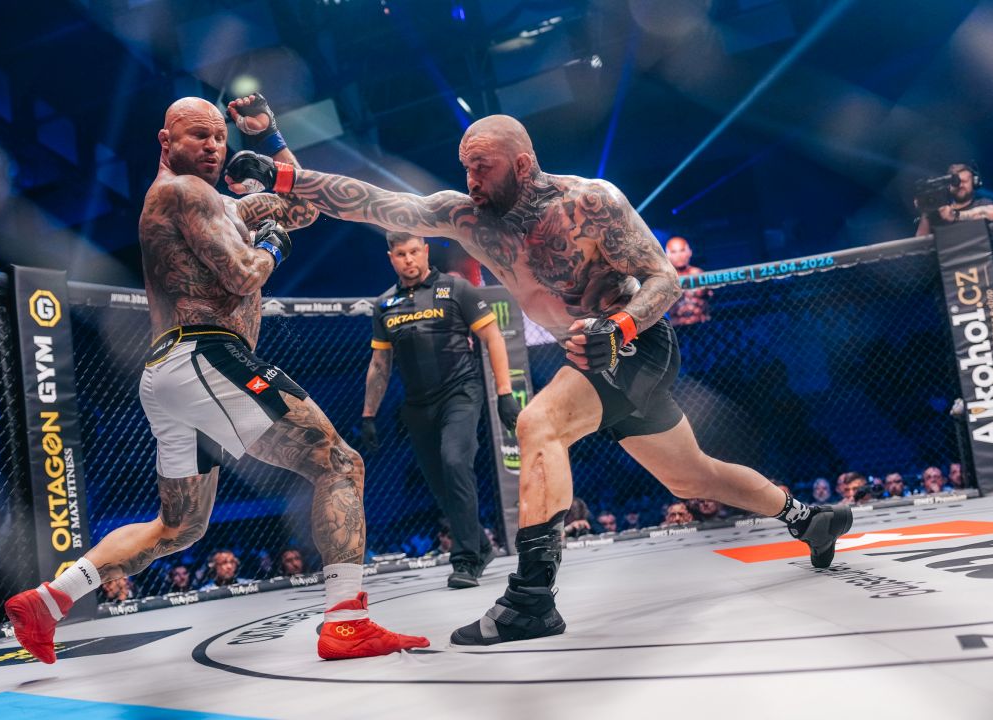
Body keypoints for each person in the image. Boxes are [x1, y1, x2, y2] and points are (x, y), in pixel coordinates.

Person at [228, 112, 853, 647]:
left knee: (538, 423)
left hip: (635, 344)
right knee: (692, 476)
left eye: (484, 168)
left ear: (523, 165)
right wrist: (285, 176)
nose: (472, 181)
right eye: (466, 167)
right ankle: (808, 518)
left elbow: (664, 278)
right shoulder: (466, 216)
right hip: (587, 355)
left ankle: (531, 598)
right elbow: (374, 201)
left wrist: (620, 327)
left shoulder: (591, 204)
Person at [4, 95, 426, 663]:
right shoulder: (184, 191)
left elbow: (305, 206)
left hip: (174, 372)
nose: (212, 145)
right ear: (166, 141)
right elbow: (244, 274)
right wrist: (272, 243)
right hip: (206, 356)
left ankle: (48, 601)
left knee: (179, 527)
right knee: (340, 464)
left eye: (220, 137)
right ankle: (347, 623)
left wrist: (271, 140)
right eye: (198, 135)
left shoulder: (221, 205)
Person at [361, 230, 518, 588]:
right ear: (391, 258)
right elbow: (380, 364)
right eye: (401, 254)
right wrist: (368, 415)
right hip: (417, 405)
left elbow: (493, 337)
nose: (409, 259)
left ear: (426, 250)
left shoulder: (456, 289)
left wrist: (505, 393)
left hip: (460, 393)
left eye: (414, 251)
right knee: (439, 484)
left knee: (454, 461)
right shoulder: (384, 304)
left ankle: (466, 560)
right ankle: (481, 545)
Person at [915, 163, 993, 237]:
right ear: (949, 186)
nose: (960, 185)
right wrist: (925, 211)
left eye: (964, 181)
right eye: (955, 182)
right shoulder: (940, 212)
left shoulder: (982, 203)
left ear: (974, 183)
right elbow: (921, 243)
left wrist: (955, 215)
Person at [664, 236, 711, 326]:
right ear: (667, 255)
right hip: (677, 327)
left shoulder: (698, 273)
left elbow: (711, 297)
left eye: (682, 250)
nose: (679, 256)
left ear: (689, 252)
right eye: (674, 252)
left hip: (702, 324)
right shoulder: (664, 278)